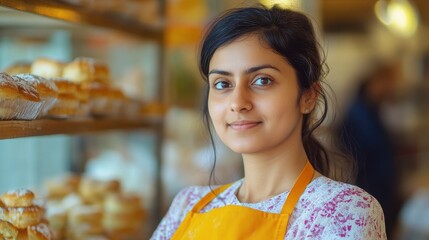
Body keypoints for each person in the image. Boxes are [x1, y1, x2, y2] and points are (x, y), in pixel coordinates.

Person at [151, 4, 386, 239]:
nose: (238, 102)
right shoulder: (188, 205)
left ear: (308, 96)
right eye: (222, 84)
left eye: (262, 80)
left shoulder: (343, 211)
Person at [336, 62, 400, 238]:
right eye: (389, 83)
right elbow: (374, 147)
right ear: (377, 81)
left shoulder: (373, 108)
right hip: (370, 181)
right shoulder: (359, 110)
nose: (392, 88)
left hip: (380, 181)